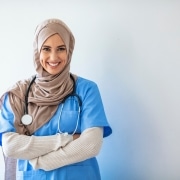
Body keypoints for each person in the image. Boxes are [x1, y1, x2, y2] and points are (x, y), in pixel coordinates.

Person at [0, 18, 112, 180]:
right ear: (37, 51)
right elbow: (10, 146)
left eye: (61, 49)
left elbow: (91, 145)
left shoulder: (87, 89)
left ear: (69, 50)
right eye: (46, 49)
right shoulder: (18, 94)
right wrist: (66, 139)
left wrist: (43, 161)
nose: (53, 57)